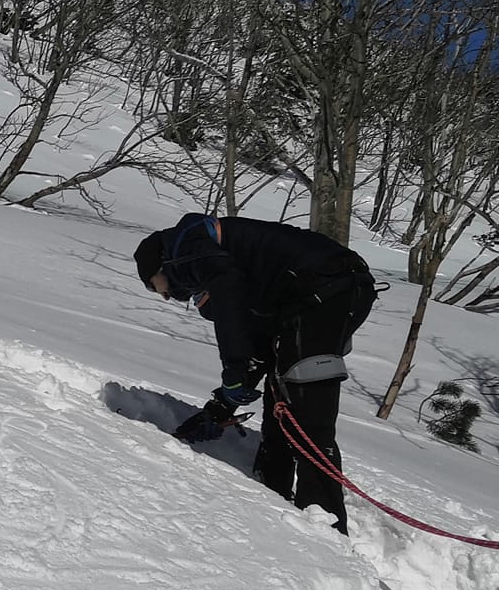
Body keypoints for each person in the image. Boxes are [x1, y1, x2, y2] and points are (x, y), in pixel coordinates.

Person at [134, 213, 377, 532]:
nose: (165, 295)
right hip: (328, 289)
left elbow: (226, 287)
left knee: (308, 413)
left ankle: (325, 530)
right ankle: (274, 493)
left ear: (161, 266)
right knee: (283, 397)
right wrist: (223, 404)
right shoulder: (226, 257)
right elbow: (259, 349)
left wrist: (234, 369)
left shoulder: (186, 247)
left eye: (156, 286)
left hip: (322, 286)